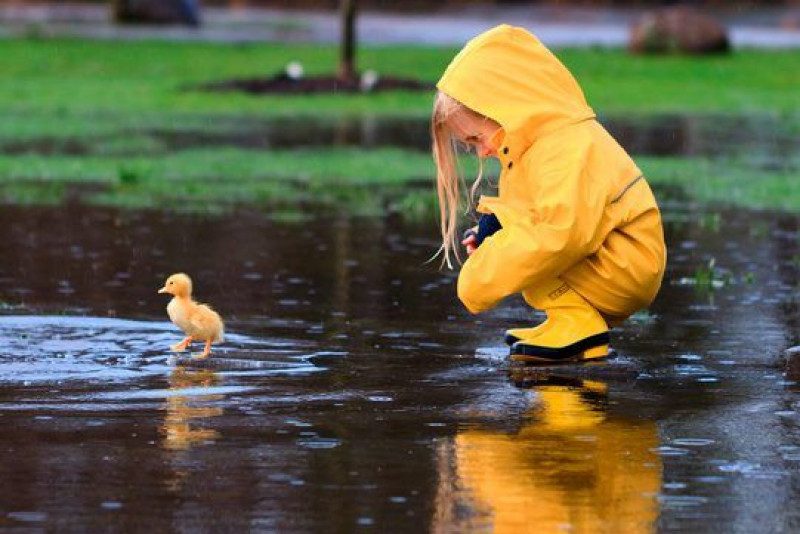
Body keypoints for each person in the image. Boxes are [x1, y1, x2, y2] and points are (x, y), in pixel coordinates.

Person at [430, 24, 666, 363]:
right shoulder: (536, 147)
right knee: (523, 248)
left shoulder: (565, 147)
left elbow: (561, 234)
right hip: (612, 262)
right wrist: (492, 230)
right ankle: (569, 320)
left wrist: (480, 277)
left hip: (624, 269)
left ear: (503, 108)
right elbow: (531, 209)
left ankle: (580, 326)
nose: (482, 152)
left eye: (476, 139)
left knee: (532, 252)